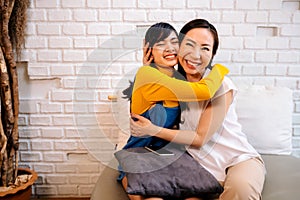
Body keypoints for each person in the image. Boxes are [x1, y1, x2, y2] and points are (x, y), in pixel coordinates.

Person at [130, 19, 266, 200]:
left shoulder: (220, 85)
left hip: (236, 160)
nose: (196, 54)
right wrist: (151, 66)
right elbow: (146, 98)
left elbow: (200, 138)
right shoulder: (176, 85)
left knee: (241, 189)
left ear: (212, 54)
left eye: (205, 48)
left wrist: (154, 130)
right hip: (196, 167)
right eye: (189, 44)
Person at [118, 22, 229, 200]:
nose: (169, 49)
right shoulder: (148, 75)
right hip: (139, 155)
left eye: (173, 42)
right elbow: (204, 91)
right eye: (161, 44)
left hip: (171, 156)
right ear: (149, 50)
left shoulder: (178, 78)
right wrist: (219, 69)